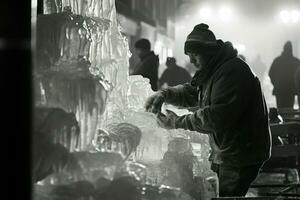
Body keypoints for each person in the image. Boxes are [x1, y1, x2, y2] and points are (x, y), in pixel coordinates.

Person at [144, 23, 271, 197]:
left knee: (228, 195)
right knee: (219, 193)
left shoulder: (232, 71)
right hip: (227, 150)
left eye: (195, 55)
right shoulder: (215, 69)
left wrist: (176, 122)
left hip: (240, 152)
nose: (191, 60)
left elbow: (216, 117)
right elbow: (193, 92)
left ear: (208, 52)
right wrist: (164, 94)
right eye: (189, 55)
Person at [269, 41, 300, 109]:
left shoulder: (277, 61)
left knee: (280, 109)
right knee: (289, 109)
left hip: (279, 90)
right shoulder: (296, 61)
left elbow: (271, 73)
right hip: (291, 90)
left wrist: (275, 83)